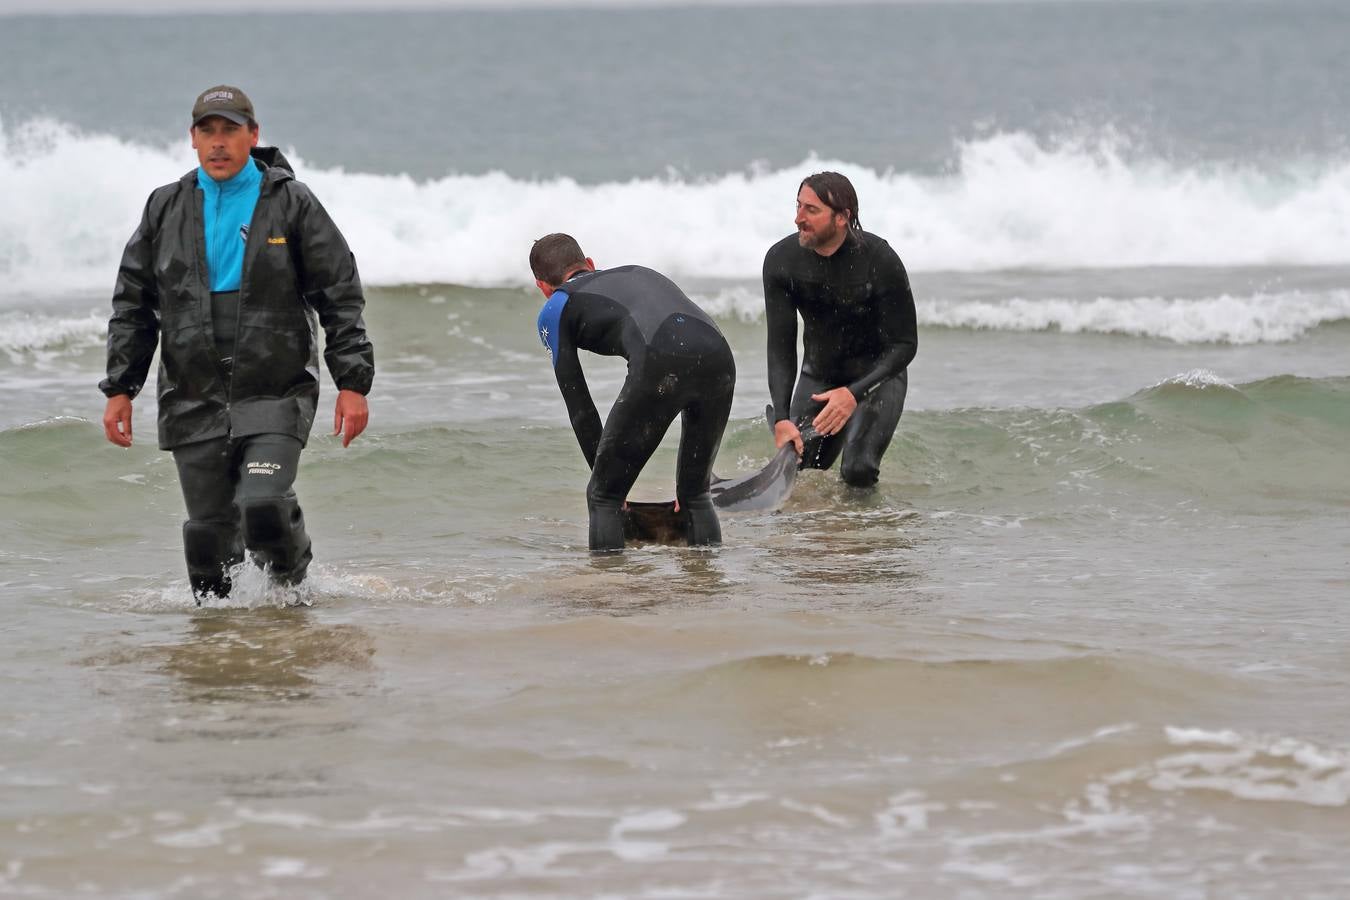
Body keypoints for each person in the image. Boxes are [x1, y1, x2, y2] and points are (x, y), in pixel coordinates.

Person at [100, 85, 374, 600]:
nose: (219, 143)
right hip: (192, 393)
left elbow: (339, 293)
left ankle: (294, 601)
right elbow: (134, 304)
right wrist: (120, 387)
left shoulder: (289, 201)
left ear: (253, 135)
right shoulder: (166, 207)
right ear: (193, 138)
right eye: (208, 131)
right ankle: (221, 653)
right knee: (206, 539)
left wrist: (353, 383)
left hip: (275, 387)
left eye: (230, 130)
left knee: (263, 505)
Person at [530, 233, 735, 552]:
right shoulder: (638, 272)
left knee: (602, 497)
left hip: (661, 358)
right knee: (694, 495)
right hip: (720, 355)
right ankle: (708, 585)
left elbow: (579, 406)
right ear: (591, 264)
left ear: (542, 287)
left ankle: (611, 593)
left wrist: (608, 482)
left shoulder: (557, 306)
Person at [763, 171, 918, 488]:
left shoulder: (879, 260)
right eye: (798, 206)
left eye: (811, 210)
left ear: (842, 217)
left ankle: (863, 535)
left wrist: (853, 394)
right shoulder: (782, 260)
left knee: (857, 471)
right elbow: (780, 346)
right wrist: (781, 417)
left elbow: (905, 344)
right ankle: (820, 531)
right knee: (799, 469)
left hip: (877, 377)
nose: (798, 219)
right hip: (819, 375)